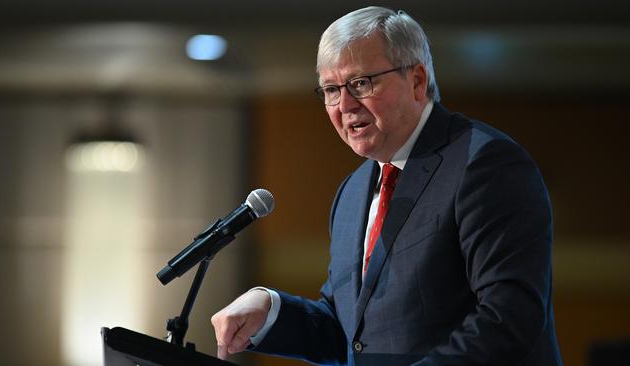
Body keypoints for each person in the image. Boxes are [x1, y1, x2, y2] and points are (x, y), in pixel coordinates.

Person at [211, 6, 563, 365]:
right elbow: (351, 335)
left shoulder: (485, 164)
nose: (344, 105)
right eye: (331, 89)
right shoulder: (352, 192)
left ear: (417, 81)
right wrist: (271, 311)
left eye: (361, 83)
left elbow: (509, 319)